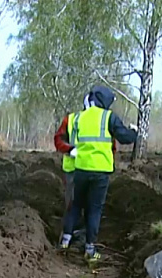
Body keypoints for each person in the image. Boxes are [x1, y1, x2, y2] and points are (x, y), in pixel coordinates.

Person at [58, 85, 137, 263]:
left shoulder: (79, 117)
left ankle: (65, 241)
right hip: (100, 171)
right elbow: (125, 137)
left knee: (76, 205)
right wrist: (135, 132)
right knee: (94, 209)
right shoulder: (108, 117)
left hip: (81, 168)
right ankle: (90, 249)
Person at [53, 97, 92, 232]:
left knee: (91, 206)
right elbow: (58, 140)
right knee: (72, 204)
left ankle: (85, 236)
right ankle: (70, 233)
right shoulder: (71, 120)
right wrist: (70, 149)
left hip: (94, 170)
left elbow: (111, 146)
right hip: (73, 170)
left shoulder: (105, 122)